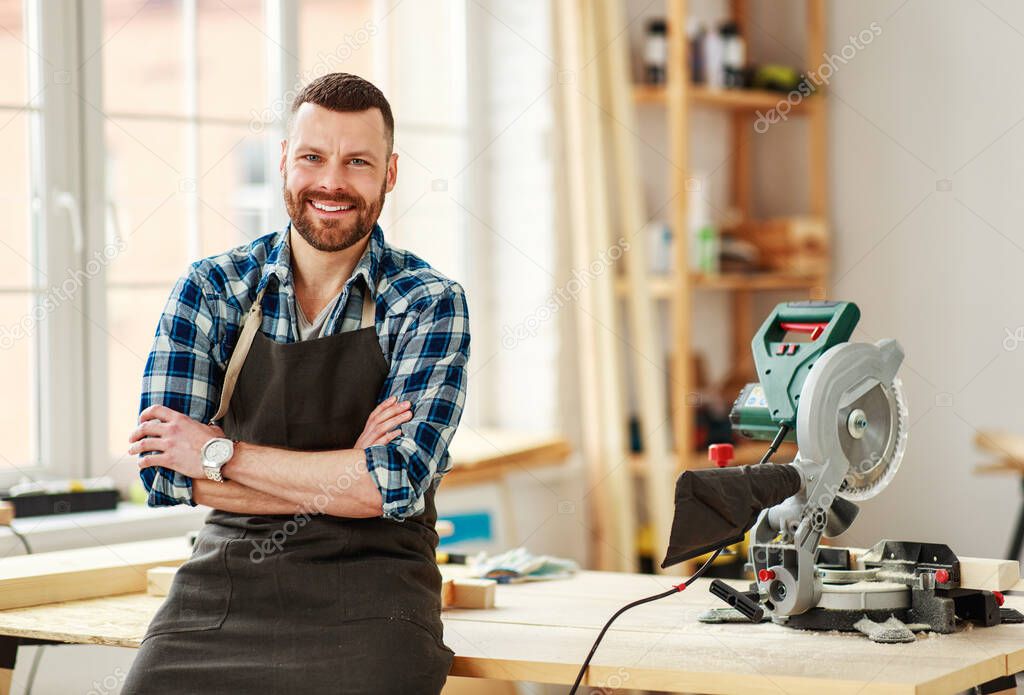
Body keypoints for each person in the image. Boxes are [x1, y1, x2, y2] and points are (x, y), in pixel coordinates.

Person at [122, 72, 470, 694]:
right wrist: (349, 471)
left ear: (389, 174)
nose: (332, 182)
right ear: (284, 163)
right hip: (227, 583)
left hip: (374, 592)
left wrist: (217, 454)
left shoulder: (428, 303)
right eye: (313, 157)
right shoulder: (211, 289)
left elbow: (394, 483)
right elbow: (165, 475)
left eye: (358, 161)